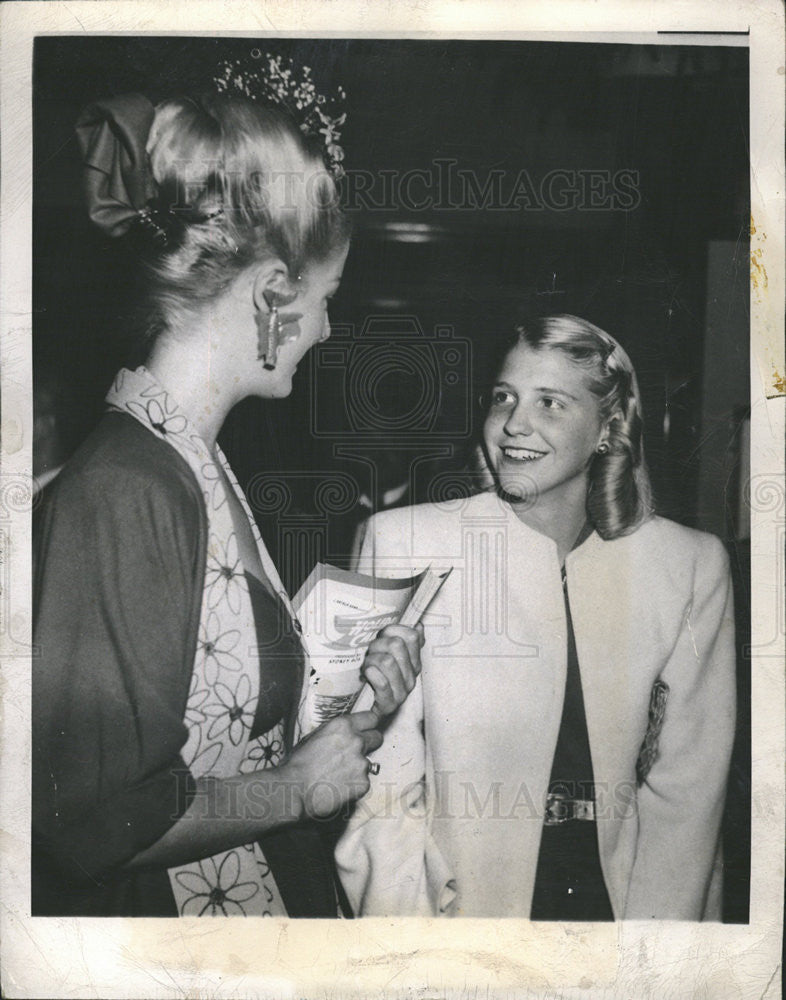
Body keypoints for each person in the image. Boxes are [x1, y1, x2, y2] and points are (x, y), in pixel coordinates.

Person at [32, 90, 423, 917]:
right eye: (327, 297)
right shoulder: (126, 487)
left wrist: (351, 723)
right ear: (273, 293)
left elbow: (221, 734)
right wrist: (294, 788)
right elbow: (85, 821)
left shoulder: (193, 460)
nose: (324, 330)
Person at [336, 314, 736, 920]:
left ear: (608, 427)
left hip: (622, 908)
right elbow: (379, 784)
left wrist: (654, 958)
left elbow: (688, 794)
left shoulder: (690, 565)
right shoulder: (403, 541)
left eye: (550, 402)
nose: (514, 424)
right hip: (459, 913)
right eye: (504, 397)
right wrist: (413, 945)